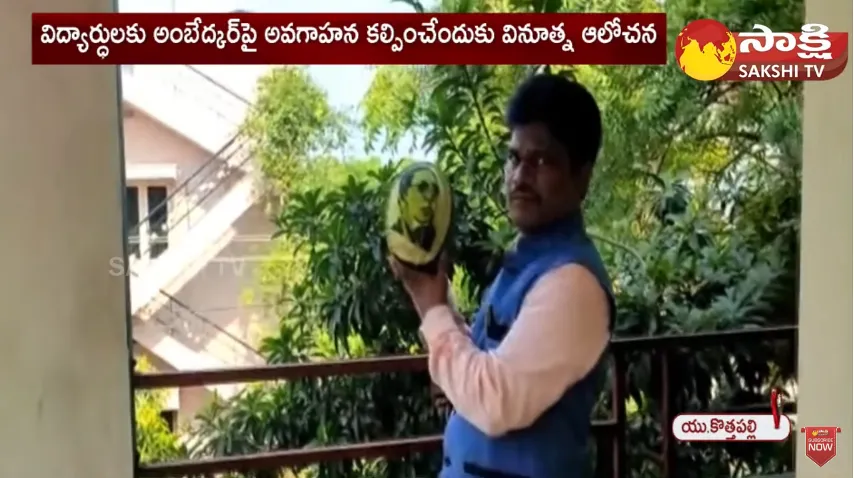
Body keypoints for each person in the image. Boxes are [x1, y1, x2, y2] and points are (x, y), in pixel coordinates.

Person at [389, 74, 614, 477]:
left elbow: (496, 402)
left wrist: (430, 305)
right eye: (514, 158)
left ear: (582, 177)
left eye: (542, 161)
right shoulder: (527, 262)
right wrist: (435, 296)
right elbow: (484, 370)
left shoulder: (572, 282)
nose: (519, 177)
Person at [392, 166, 441, 252]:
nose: (430, 196)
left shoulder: (437, 237)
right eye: (422, 188)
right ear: (404, 195)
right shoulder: (392, 237)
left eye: (435, 190)